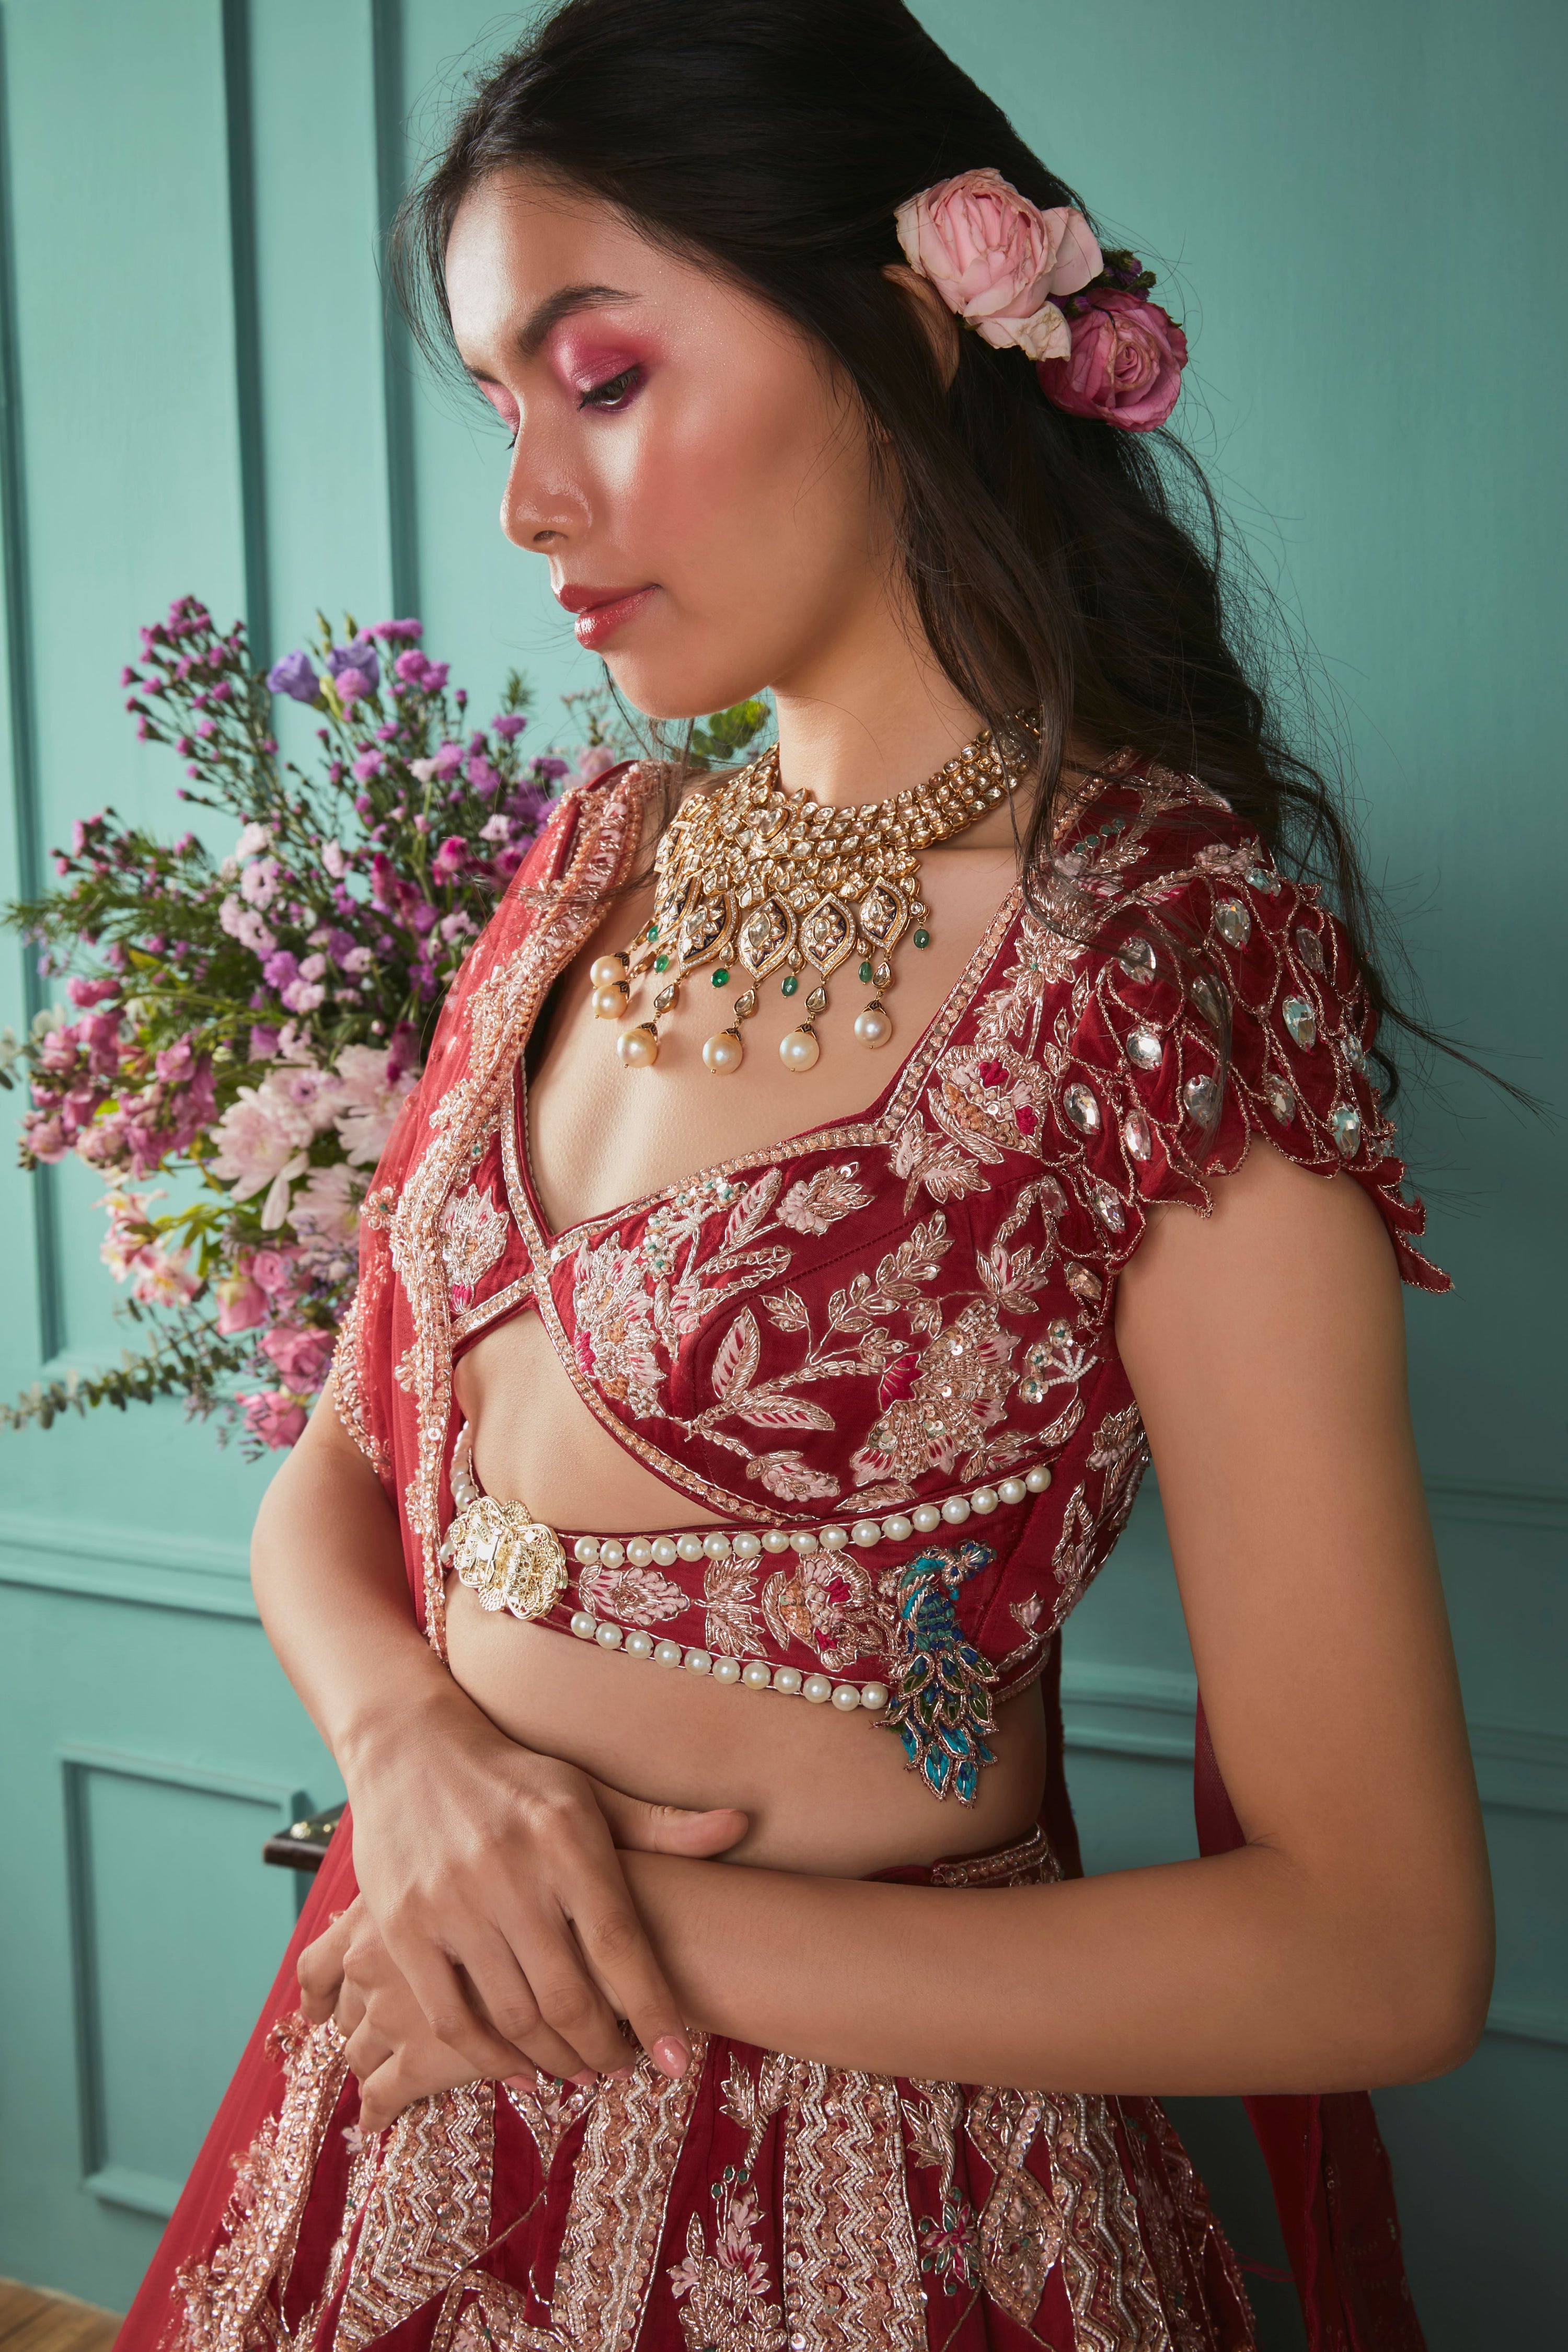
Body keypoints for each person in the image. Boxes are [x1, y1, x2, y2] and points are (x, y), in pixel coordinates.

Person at [118, 3, 1493, 2346]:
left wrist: (602, 1930)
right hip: (403, 2111)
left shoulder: (1164, 959)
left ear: (904, 325)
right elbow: (340, 1480)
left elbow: (1380, 1947)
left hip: (871, 2199)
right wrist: (417, 1758)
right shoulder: (588, 870)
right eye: (498, 407)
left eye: (607, 379)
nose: (527, 505)